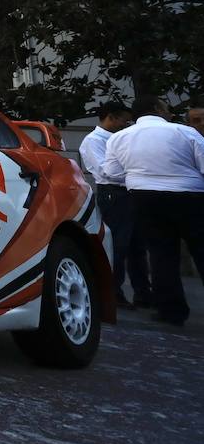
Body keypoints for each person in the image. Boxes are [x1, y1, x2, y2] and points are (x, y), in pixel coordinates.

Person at [102, 98, 204, 326]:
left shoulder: (118, 138)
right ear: (158, 110)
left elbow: (110, 173)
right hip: (189, 194)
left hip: (144, 195)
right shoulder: (184, 132)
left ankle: (171, 310)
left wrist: (138, 174)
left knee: (161, 253)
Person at [80, 101, 148, 308]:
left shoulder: (120, 138)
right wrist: (136, 172)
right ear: (111, 117)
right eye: (123, 121)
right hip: (114, 194)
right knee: (119, 244)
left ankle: (143, 292)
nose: (125, 125)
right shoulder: (93, 141)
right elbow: (105, 172)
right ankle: (113, 291)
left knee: (137, 245)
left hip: (129, 192)